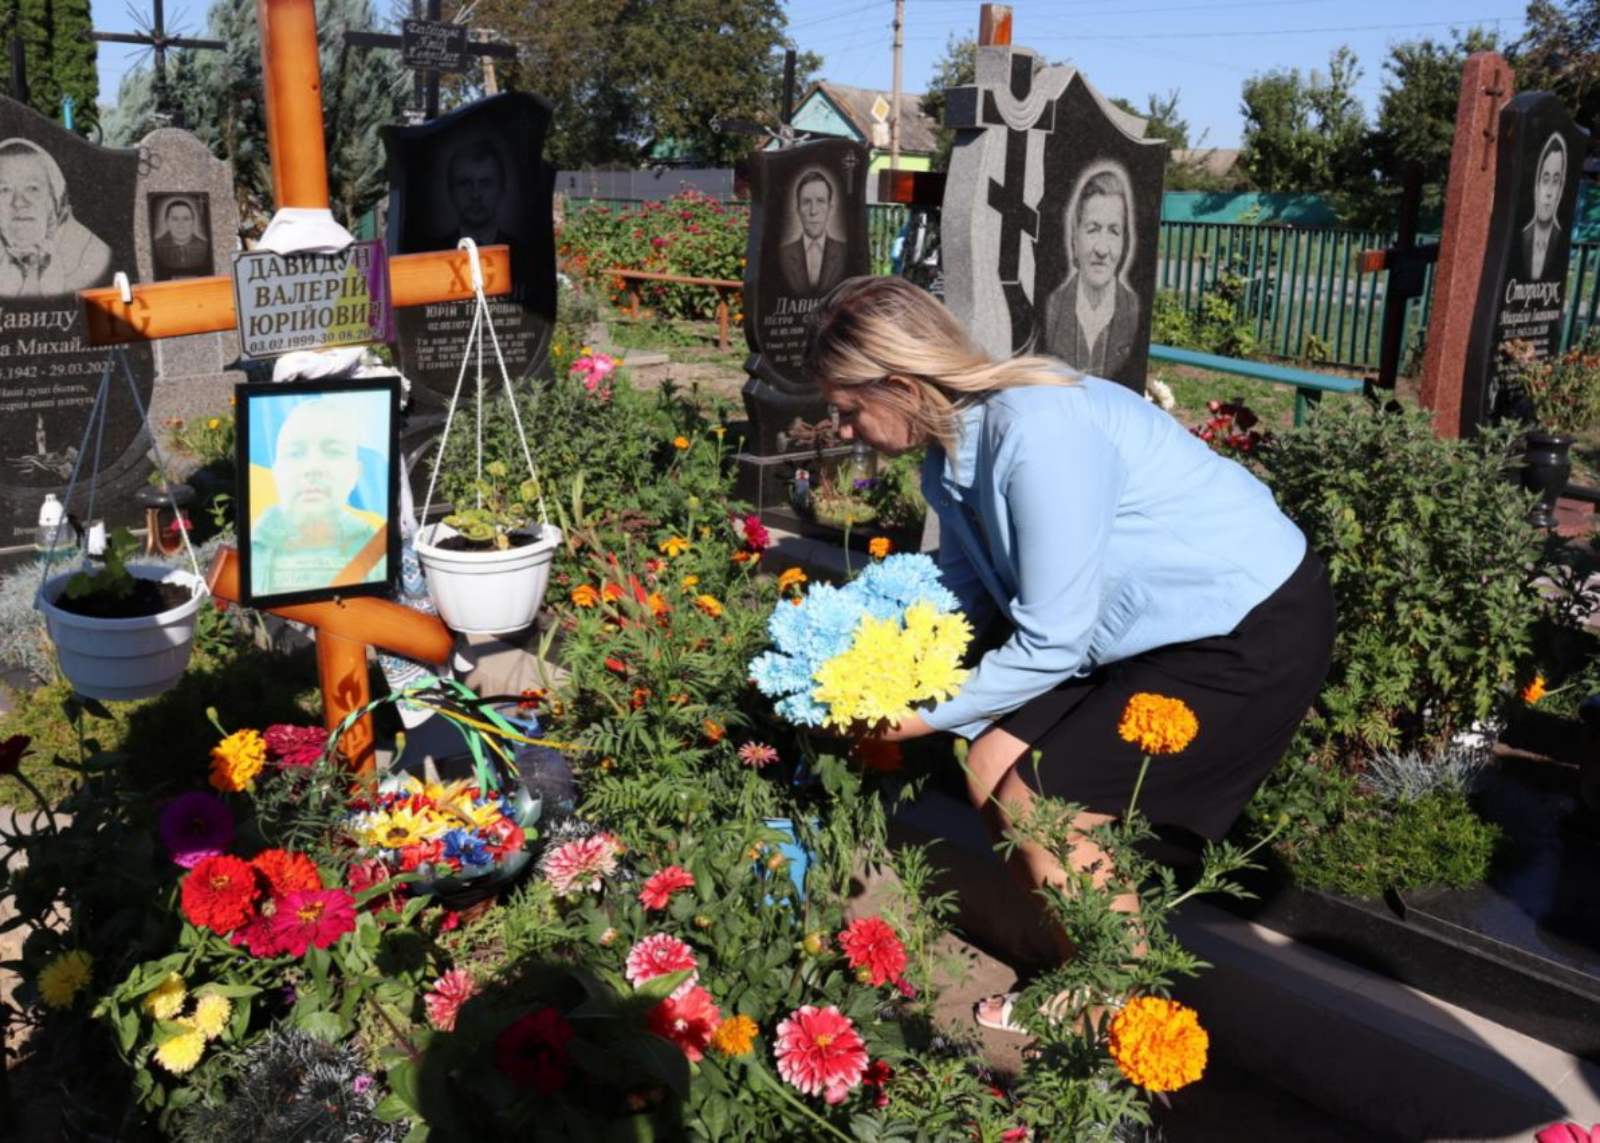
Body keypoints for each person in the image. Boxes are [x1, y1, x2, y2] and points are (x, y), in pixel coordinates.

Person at [804, 276, 1335, 1034]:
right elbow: (968, 591)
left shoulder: (1035, 435)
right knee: (989, 766)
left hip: (1242, 623)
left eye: (849, 408)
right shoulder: (949, 450)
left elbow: (1051, 640)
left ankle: (1117, 1009)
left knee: (1041, 804)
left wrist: (912, 721)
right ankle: (1081, 967)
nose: (843, 427)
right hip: (1135, 626)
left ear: (901, 384)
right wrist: (868, 663)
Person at [250, 398, 385, 597]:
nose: (313, 467)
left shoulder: (377, 551)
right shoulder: (255, 549)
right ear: (276, 472)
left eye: (334, 452)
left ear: (356, 472)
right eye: (295, 453)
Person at [1040, 169, 1141, 380]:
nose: (1102, 249)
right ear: (1075, 239)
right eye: (1093, 229)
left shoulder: (1134, 311)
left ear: (1124, 242)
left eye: (1114, 231)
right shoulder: (1051, 309)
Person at [0, 137, 111, 298]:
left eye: (32, 188)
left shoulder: (92, 256)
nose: (18, 202)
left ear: (54, 198)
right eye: (4, 190)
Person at [779, 170, 845, 296]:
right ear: (798, 210)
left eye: (820, 201)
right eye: (806, 202)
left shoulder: (845, 252)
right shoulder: (783, 254)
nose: (813, 211)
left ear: (830, 209)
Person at [1520, 133, 1569, 283]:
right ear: (1536, 186)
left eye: (1555, 181)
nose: (1549, 192)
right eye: (1545, 179)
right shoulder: (1523, 236)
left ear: (1560, 189)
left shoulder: (1560, 239)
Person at [152, 197, 211, 280]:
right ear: (167, 222)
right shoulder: (155, 247)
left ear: (193, 222)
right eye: (175, 219)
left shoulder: (205, 246)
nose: (181, 225)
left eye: (186, 219)